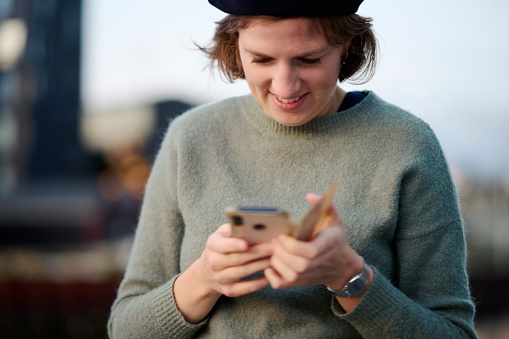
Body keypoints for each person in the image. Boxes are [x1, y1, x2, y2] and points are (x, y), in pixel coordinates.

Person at [108, 0, 477, 337]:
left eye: (309, 59)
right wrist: (203, 279)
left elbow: (453, 331)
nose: (285, 87)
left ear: (346, 46)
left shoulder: (406, 144)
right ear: (235, 45)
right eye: (262, 59)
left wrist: (350, 278)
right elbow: (125, 329)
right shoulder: (189, 138)